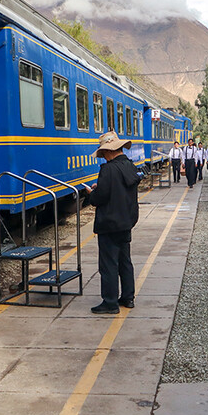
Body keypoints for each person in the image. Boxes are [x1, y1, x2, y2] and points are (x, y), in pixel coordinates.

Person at [89, 131, 140, 314]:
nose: (103, 157)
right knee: (125, 261)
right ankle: (128, 298)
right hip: (126, 222)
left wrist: (92, 193)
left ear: (109, 152)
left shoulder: (108, 169)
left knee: (109, 264)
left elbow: (100, 198)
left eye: (103, 154)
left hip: (109, 224)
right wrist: (101, 187)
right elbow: (119, 190)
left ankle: (110, 302)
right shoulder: (130, 166)